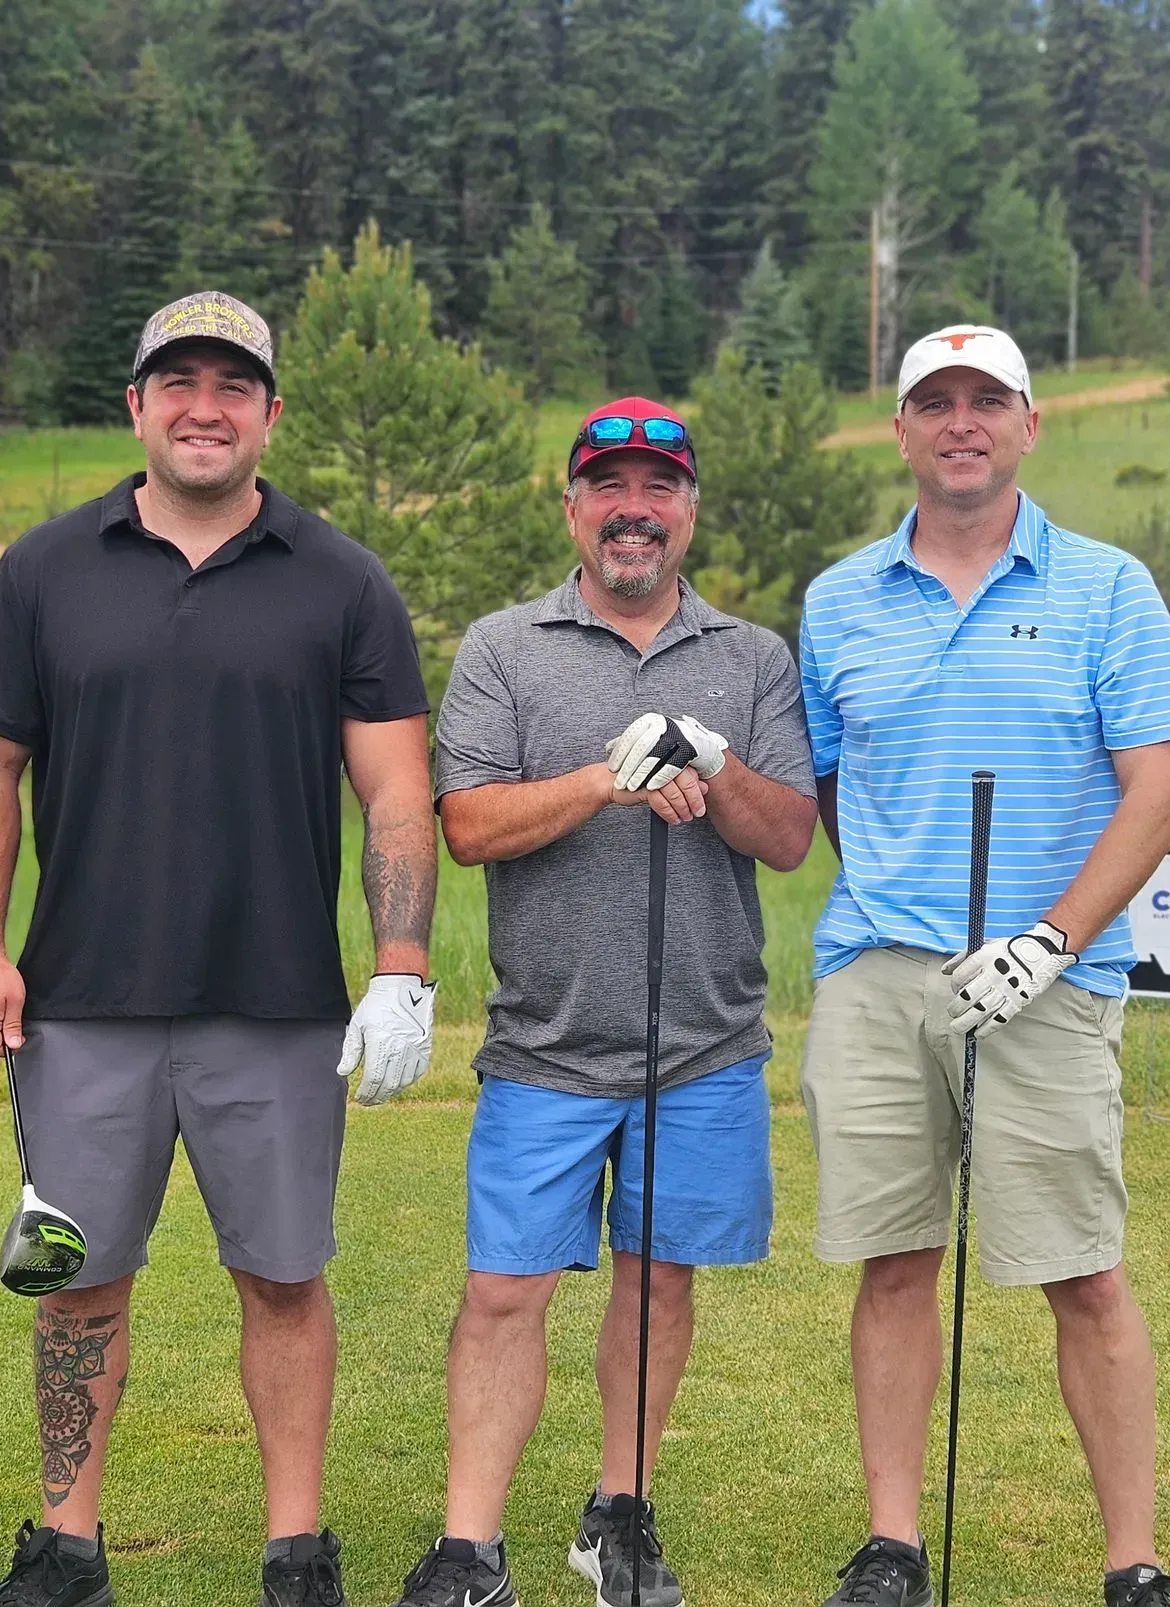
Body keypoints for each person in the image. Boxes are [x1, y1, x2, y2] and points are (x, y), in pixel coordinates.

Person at [0, 291, 437, 1607]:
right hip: (80, 1001)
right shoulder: (46, 567)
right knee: (77, 1282)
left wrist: (401, 962)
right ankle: (66, 1544)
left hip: (273, 1003)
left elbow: (396, 789)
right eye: (179, 382)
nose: (204, 406)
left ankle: (295, 1545)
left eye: (232, 384)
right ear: (137, 405)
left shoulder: (341, 578)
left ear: (270, 412)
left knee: (281, 1275)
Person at [798, 326, 1170, 1607]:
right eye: (934, 402)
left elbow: (1162, 788)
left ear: (1030, 423)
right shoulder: (838, 598)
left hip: (1047, 974)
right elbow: (829, 784)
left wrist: (1050, 938)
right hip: (878, 970)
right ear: (902, 429)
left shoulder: (1107, 585)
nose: (960, 422)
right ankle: (893, 1543)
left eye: (987, 400)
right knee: (897, 1256)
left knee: (1082, 1267)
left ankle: (1132, 1555)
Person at [401, 398, 818, 1607]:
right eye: (611, 487)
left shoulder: (749, 657)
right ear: (574, 504)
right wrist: (604, 778)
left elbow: (789, 836)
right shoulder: (503, 645)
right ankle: (470, 1545)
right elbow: (468, 825)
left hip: (703, 1035)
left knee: (658, 1276)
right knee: (505, 1286)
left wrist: (714, 764)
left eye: (661, 489)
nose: (635, 509)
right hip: (546, 1036)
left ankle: (617, 1511)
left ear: (689, 511)